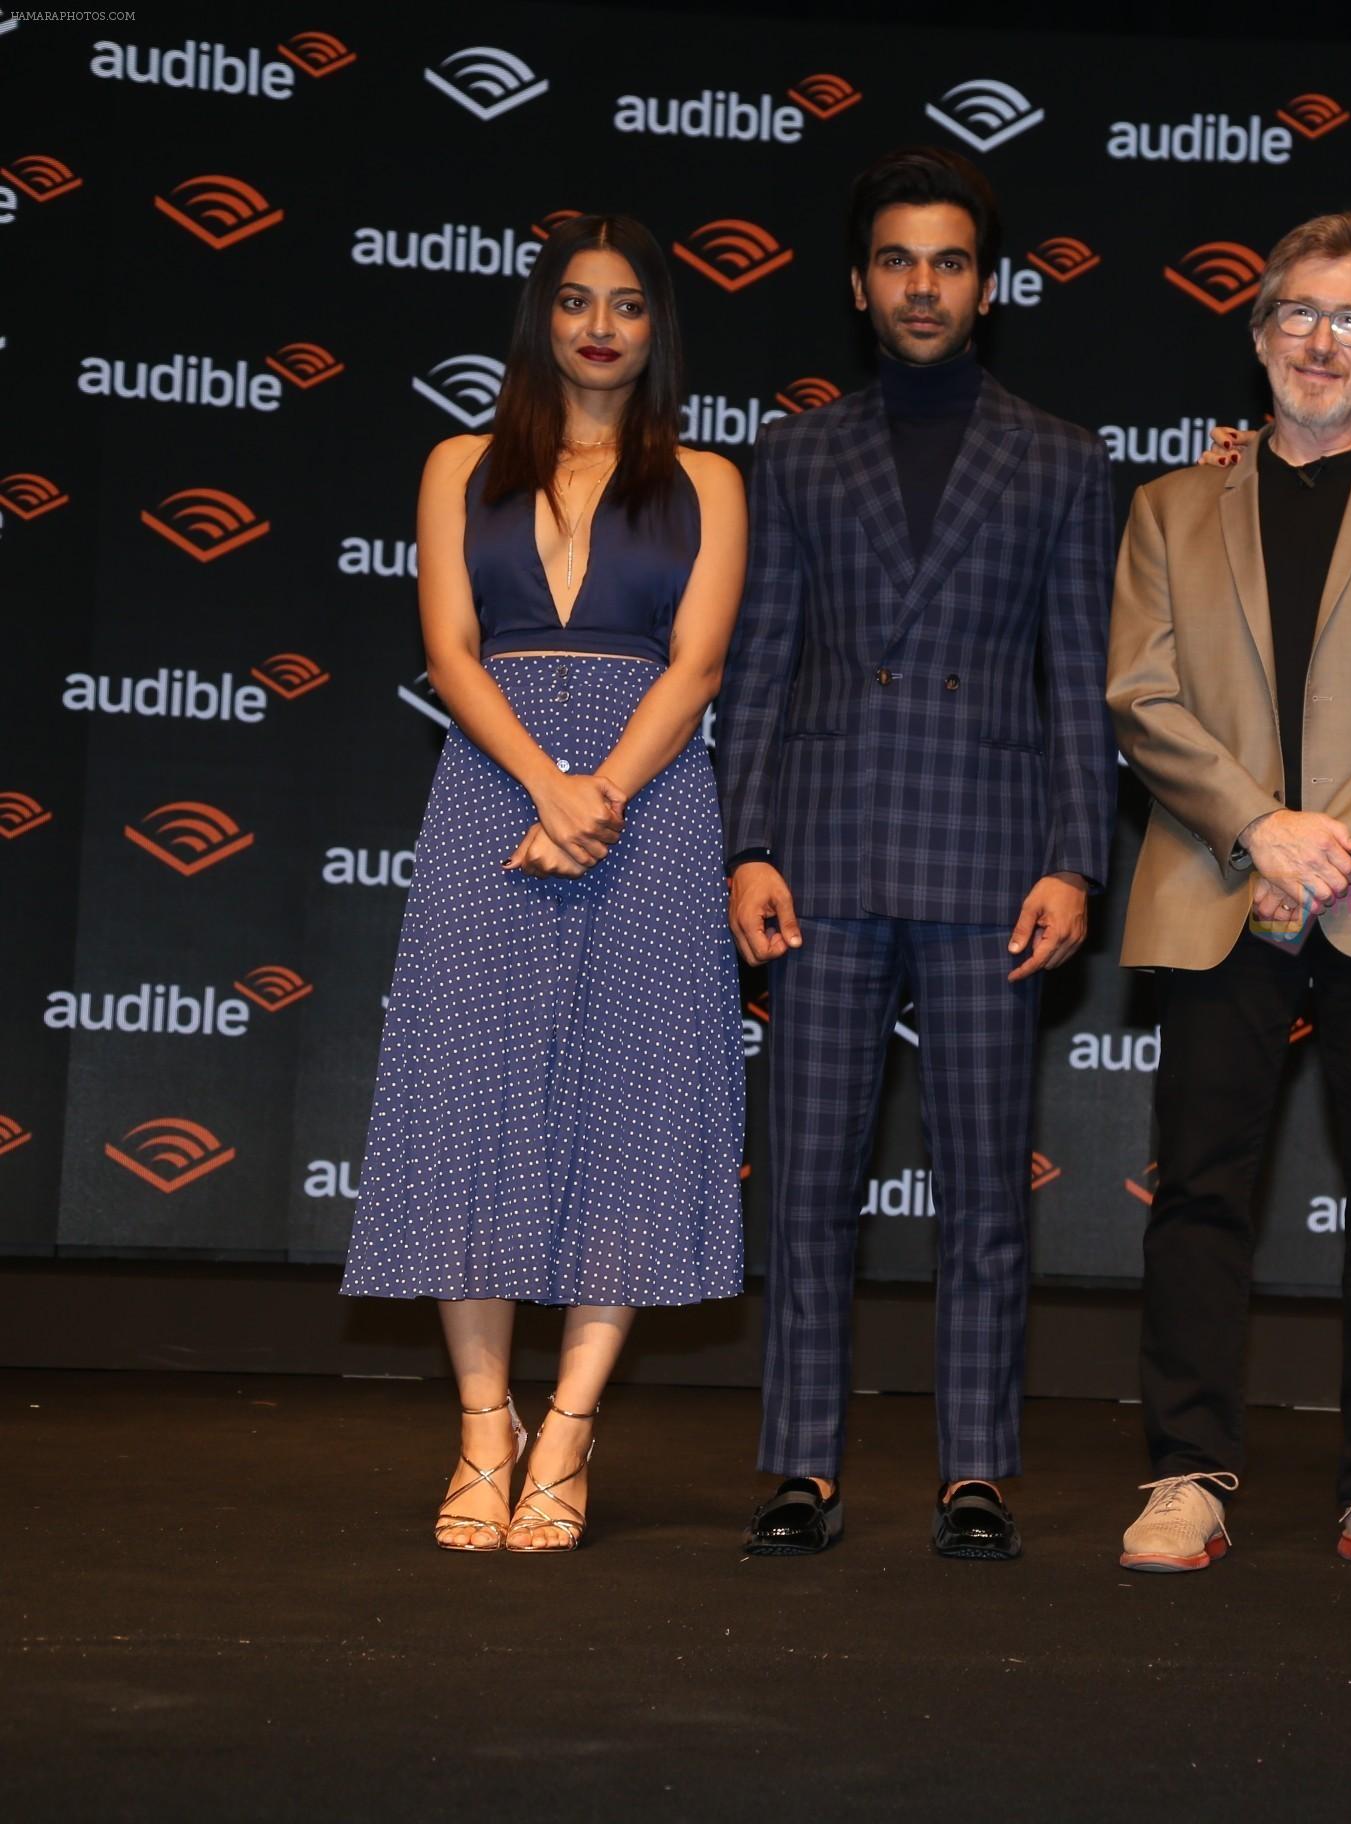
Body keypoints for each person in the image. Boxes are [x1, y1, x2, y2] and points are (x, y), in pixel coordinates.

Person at [714, 148, 1115, 1561]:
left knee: (984, 1189)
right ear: (858, 286)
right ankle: (802, 1467)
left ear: (988, 287)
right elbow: (757, 667)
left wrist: (1077, 861)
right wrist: (744, 841)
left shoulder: (1063, 459)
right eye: (897, 261)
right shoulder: (799, 453)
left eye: (949, 261)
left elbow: (1084, 679)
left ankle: (977, 1471)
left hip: (992, 858)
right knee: (811, 1180)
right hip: (820, 855)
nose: (923, 285)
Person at [1107, 213, 1351, 1577]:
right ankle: (1184, 1472)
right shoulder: (1171, 506)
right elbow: (1140, 695)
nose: (1322, 343)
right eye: (1298, 315)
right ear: (1258, 332)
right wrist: (1260, 826)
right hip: (1225, 879)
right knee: (1201, 1192)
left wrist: (1338, 838)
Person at [342, 214, 749, 1555]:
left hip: (652, 798)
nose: (600, 325)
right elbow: (452, 653)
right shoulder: (459, 462)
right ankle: (480, 1430)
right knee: (468, 1097)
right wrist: (546, 786)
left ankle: (567, 1430)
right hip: (492, 790)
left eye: (627, 305)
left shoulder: (708, 478)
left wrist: (605, 793)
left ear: (655, 328)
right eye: (576, 301)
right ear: (541, 317)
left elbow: (694, 667)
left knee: (629, 1101)